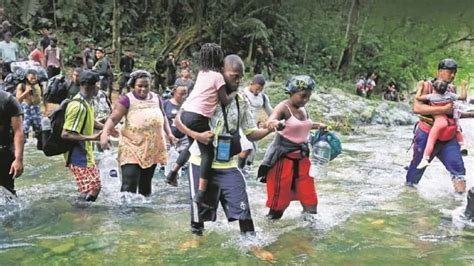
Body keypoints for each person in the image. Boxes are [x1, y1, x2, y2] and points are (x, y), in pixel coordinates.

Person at [174, 54, 273, 236]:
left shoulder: (241, 100)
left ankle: (251, 243)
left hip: (228, 164)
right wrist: (198, 135)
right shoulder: (203, 95)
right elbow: (179, 121)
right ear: (221, 72)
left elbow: (251, 133)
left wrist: (269, 129)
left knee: (243, 208)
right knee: (199, 214)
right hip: (199, 162)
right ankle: (197, 241)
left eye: (241, 77)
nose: (238, 81)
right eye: (234, 76)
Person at [165, 43, 237, 208]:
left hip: (186, 113)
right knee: (208, 154)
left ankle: (172, 173)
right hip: (198, 117)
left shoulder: (202, 73)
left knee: (191, 147)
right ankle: (201, 193)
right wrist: (233, 94)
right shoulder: (217, 76)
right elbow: (225, 101)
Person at [258, 75, 324, 220]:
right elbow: (269, 121)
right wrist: (274, 123)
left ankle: (309, 237)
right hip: (283, 162)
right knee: (278, 208)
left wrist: (317, 125)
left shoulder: (303, 109)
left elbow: (301, 126)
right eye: (302, 96)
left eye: (308, 96)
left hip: (302, 161)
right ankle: (269, 234)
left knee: (310, 202)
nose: (305, 100)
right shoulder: (283, 107)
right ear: (291, 92)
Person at [100, 70, 175, 196]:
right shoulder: (126, 100)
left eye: (147, 86)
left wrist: (169, 134)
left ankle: (143, 213)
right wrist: (104, 133)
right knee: (129, 185)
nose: (143, 89)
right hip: (131, 146)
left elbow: (164, 117)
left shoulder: (157, 98)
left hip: (152, 147)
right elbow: (113, 118)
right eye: (140, 86)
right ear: (133, 85)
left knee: (145, 186)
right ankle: (126, 213)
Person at [406, 58, 470, 194]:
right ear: (440, 71)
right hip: (426, 133)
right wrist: (443, 110)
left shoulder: (452, 89)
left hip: (448, 136)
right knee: (416, 171)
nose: (453, 75)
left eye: (455, 73)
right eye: (449, 72)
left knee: (458, 169)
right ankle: (409, 200)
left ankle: (459, 205)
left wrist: (470, 114)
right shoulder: (427, 85)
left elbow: (454, 113)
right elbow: (417, 108)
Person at [61, 70, 102, 202]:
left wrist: (107, 128)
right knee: (92, 188)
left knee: (93, 187)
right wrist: (92, 138)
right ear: (90, 86)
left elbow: (89, 120)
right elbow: (66, 134)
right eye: (97, 84)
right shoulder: (78, 106)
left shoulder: (86, 102)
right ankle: (81, 216)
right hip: (78, 157)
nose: (99, 87)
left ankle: (83, 213)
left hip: (86, 155)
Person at [415, 79, 468, 169]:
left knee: (431, 140)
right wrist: (463, 86)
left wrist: (420, 87)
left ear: (434, 89)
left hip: (440, 121)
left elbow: (418, 97)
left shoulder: (432, 96)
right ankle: (462, 145)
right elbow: (463, 97)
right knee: (457, 128)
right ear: (447, 89)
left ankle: (425, 159)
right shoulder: (450, 95)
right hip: (451, 120)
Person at [238, 74, 272, 169]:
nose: (258, 91)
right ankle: (238, 171)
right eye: (257, 88)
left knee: (251, 156)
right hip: (240, 127)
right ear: (251, 84)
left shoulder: (263, 98)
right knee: (247, 148)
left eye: (261, 89)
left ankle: (246, 175)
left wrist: (271, 122)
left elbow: (272, 114)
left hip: (253, 128)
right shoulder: (241, 93)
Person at [0, 89, 24, 195]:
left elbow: (18, 131)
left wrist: (18, 159)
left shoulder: (8, 100)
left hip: (4, 151)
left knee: (8, 192)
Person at [163, 86, 189, 177]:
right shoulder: (166, 104)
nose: (183, 96)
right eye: (181, 94)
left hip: (184, 138)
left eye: (185, 94)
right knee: (166, 161)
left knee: (183, 163)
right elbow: (161, 119)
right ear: (174, 93)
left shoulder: (188, 105)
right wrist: (166, 134)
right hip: (168, 138)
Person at [15, 70, 43, 145]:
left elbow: (42, 97)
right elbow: (17, 99)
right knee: (24, 128)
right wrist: (26, 92)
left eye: (35, 78)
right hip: (26, 108)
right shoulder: (21, 85)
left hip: (36, 108)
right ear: (27, 77)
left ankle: (38, 143)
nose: (33, 80)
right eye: (31, 78)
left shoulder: (39, 84)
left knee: (39, 128)